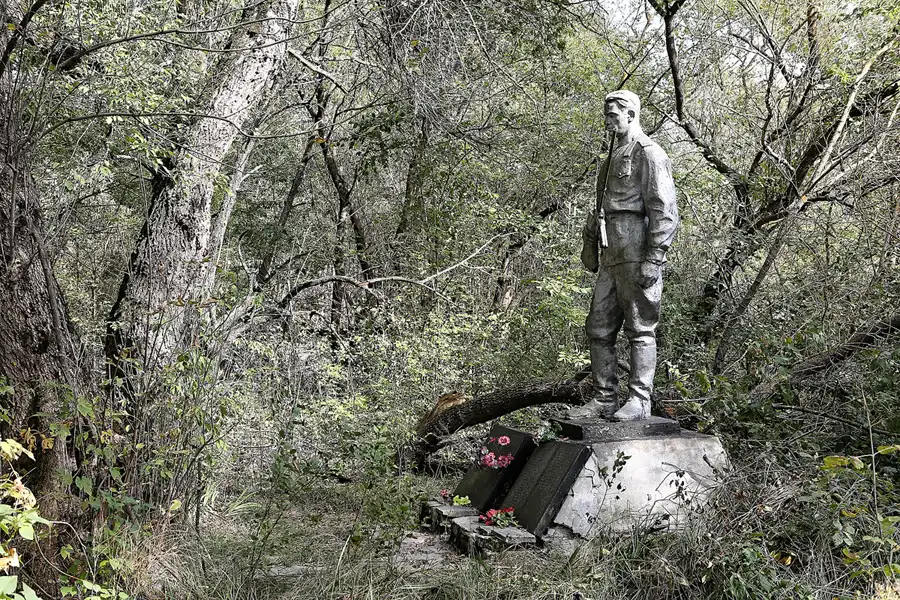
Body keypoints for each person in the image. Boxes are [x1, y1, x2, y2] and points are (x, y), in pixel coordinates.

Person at [567, 90, 678, 421]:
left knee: (640, 326)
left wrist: (654, 258)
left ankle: (640, 399)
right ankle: (604, 398)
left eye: (614, 115)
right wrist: (590, 244)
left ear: (631, 115)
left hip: (636, 245)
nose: (608, 121)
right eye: (606, 115)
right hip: (611, 250)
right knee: (598, 327)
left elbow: (664, 210)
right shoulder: (609, 157)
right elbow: (597, 209)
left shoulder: (649, 153)